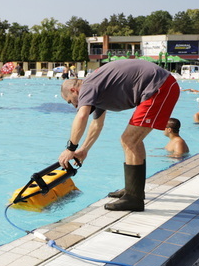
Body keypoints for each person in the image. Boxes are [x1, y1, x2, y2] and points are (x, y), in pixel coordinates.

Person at [58, 59, 180, 212]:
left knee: (129, 140)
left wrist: (70, 148)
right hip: (159, 86)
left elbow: (82, 116)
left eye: (71, 101)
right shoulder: (96, 90)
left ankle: (134, 198)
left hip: (159, 87)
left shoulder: (88, 86)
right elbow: (96, 124)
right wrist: (84, 149)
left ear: (74, 90)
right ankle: (133, 190)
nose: (75, 105)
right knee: (133, 140)